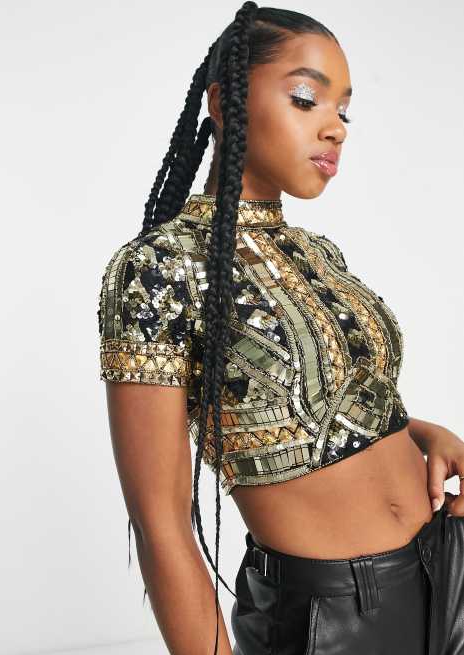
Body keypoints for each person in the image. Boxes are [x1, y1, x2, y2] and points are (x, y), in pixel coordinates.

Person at [97, 3, 464, 654]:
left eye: (343, 110)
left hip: (449, 569)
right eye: (305, 98)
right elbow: (160, 524)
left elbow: (327, 410)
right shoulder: (157, 270)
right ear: (224, 101)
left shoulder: (319, 254)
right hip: (332, 619)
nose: (335, 127)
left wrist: (424, 434)